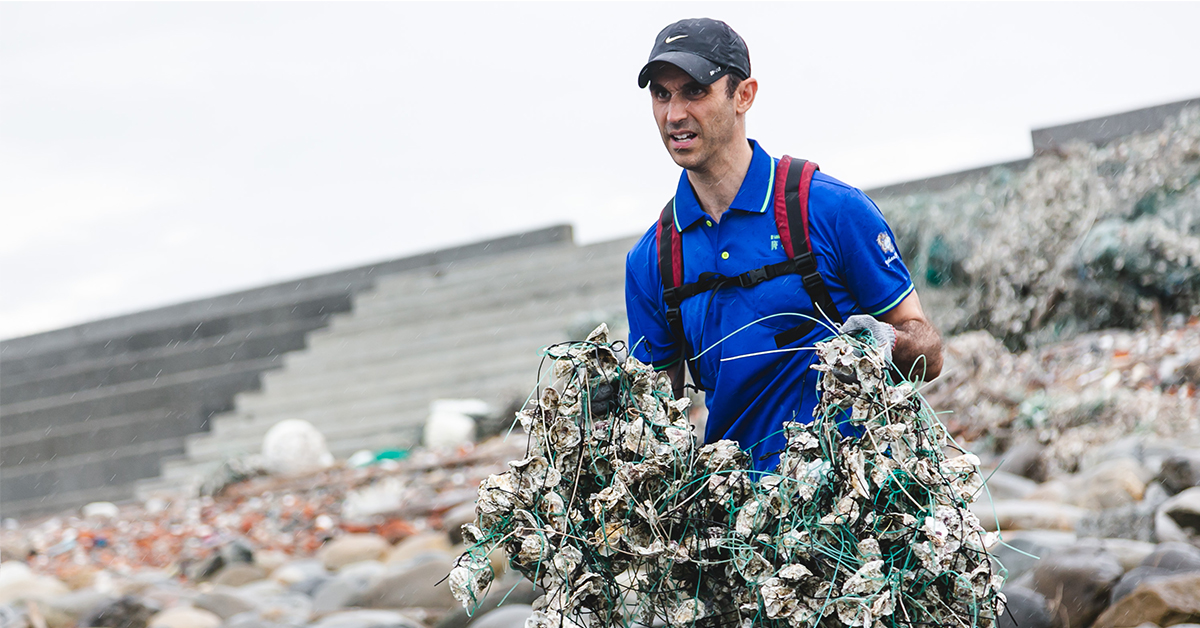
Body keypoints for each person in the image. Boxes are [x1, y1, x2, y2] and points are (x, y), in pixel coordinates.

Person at [624, 17, 944, 471]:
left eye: (694, 91)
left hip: (857, 503)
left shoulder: (829, 210)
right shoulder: (653, 260)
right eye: (661, 94)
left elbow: (929, 353)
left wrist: (884, 342)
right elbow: (653, 421)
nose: (674, 114)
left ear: (744, 95)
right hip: (741, 521)